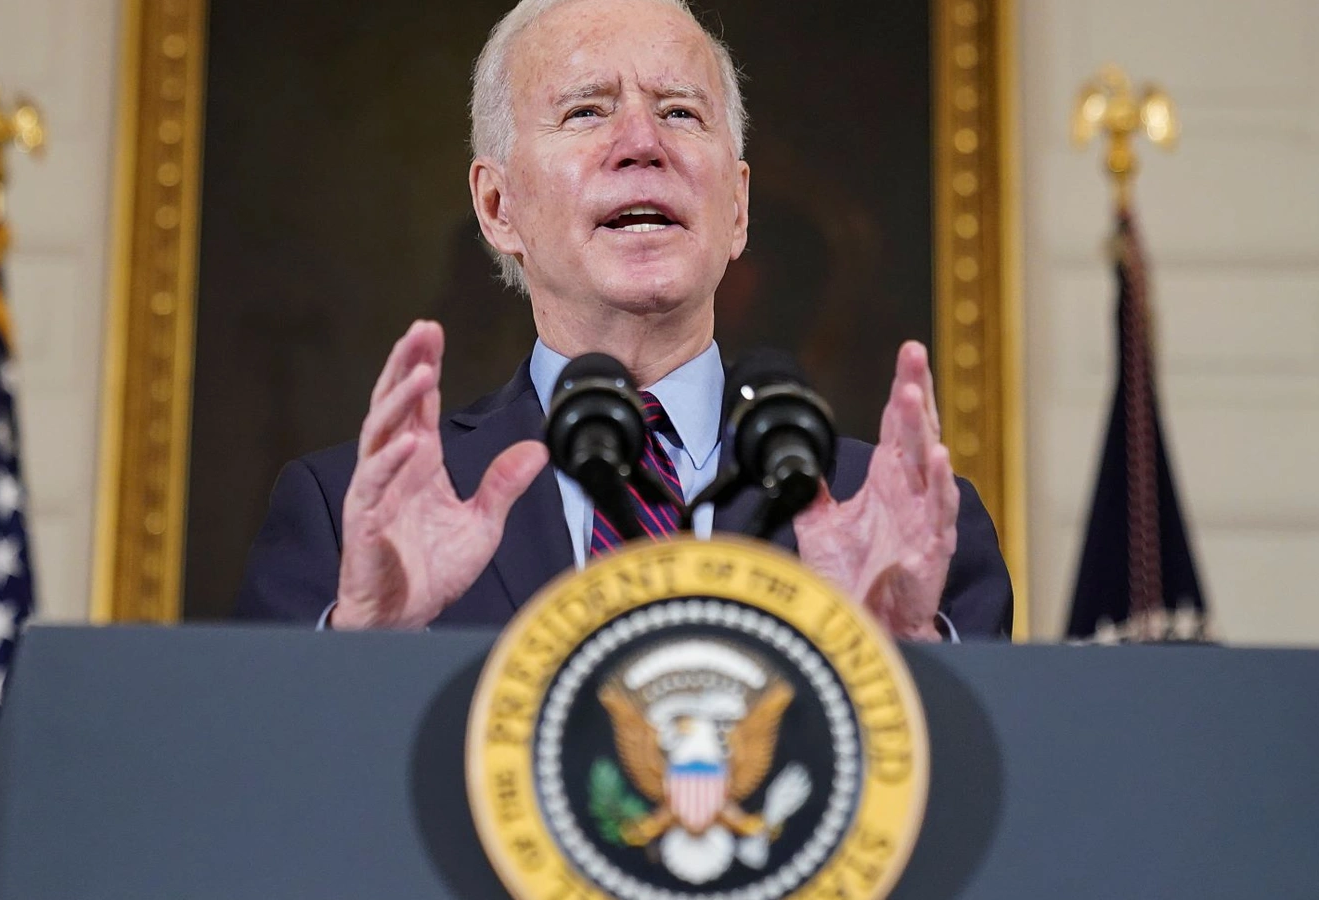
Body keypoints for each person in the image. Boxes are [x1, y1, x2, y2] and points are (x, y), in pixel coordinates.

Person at [235, 0, 1012, 639]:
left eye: (679, 112)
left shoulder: (905, 532)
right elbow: (262, 792)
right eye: (585, 111)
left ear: (736, 206)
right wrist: (362, 650)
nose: (642, 144)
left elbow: (991, 803)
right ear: (498, 206)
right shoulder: (344, 519)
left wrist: (908, 664)